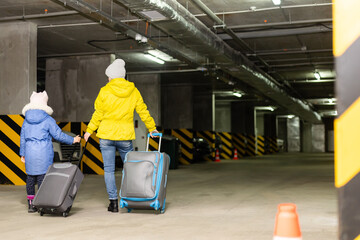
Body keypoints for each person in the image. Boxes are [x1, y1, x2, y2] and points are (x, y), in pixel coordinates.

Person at [84, 59, 158, 213]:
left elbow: (98, 113)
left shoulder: (104, 91)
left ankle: (113, 203)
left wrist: (89, 130)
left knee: (109, 170)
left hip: (106, 135)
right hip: (125, 137)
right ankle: (130, 198)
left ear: (111, 76)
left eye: (109, 76)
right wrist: (152, 128)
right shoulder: (133, 91)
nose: (108, 79)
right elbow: (143, 111)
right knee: (130, 169)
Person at [20, 91, 81, 213]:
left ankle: (31, 204)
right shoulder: (48, 119)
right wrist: (73, 139)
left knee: (30, 179)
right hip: (43, 153)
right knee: (43, 178)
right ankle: (42, 203)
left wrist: (23, 153)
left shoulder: (26, 120)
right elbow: (58, 135)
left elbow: (22, 137)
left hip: (30, 152)